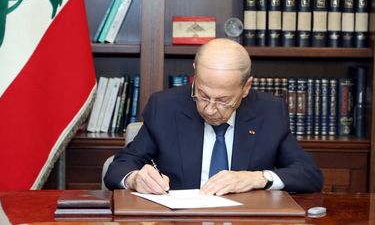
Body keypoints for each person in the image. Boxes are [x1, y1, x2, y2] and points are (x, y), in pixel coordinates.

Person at [104, 38, 323, 195]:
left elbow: (309, 175)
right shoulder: (165, 107)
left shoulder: (269, 112)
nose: (209, 109)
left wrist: (256, 178)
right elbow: (119, 166)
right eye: (202, 95)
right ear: (195, 76)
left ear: (246, 87)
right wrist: (135, 179)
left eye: (223, 100)